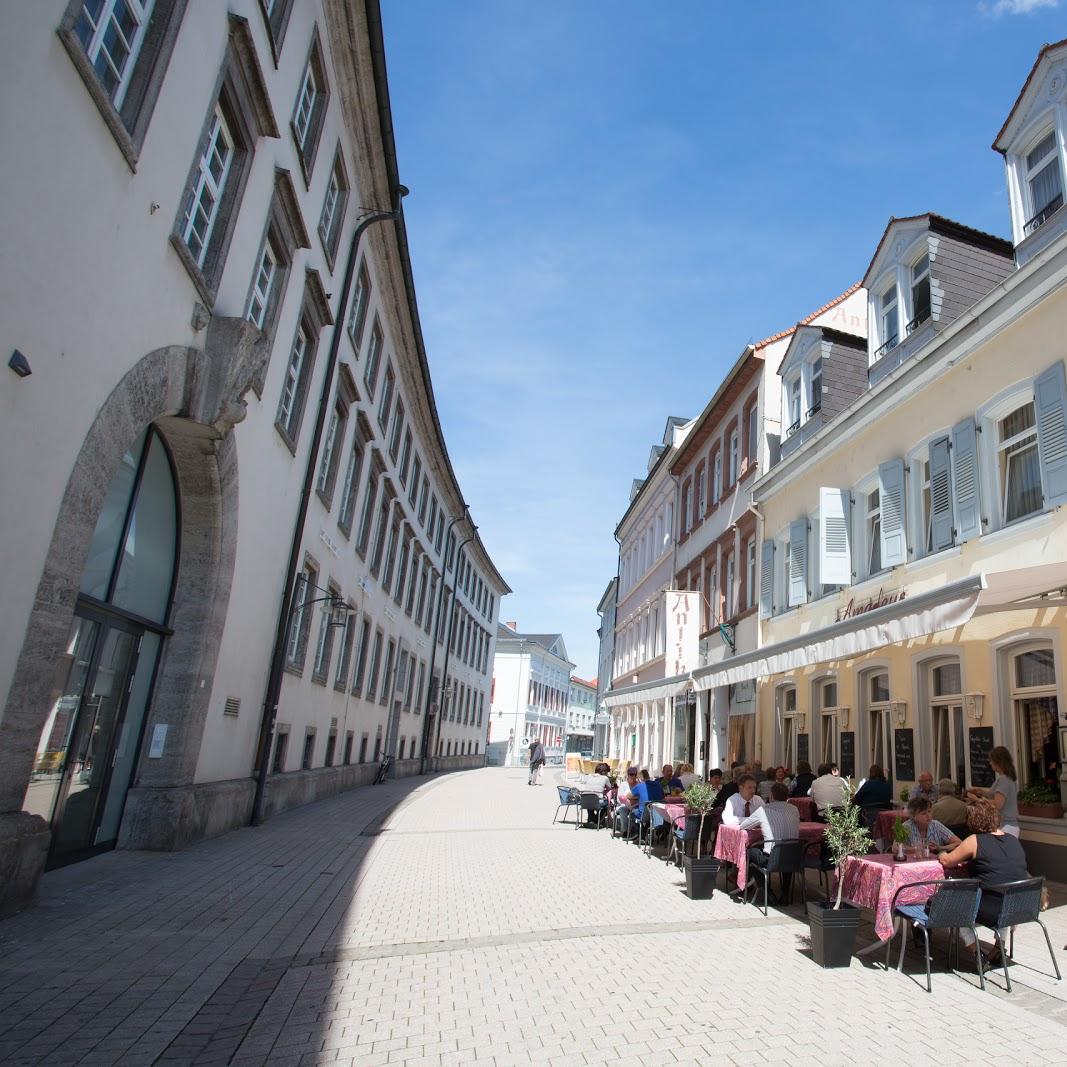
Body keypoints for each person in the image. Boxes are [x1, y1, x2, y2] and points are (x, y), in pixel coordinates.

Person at [937, 799, 1031, 962]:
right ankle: (998, 947)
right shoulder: (1012, 839)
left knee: (956, 904)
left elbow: (948, 861)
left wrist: (940, 852)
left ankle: (976, 952)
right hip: (1020, 906)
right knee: (1003, 895)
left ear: (973, 820)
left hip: (995, 908)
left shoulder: (975, 840)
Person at [747, 782, 802, 873]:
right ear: (787, 796)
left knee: (748, 850)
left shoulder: (764, 810)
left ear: (771, 796)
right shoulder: (794, 809)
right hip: (794, 857)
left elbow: (745, 825)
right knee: (786, 847)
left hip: (771, 859)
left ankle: (762, 886)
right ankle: (786, 887)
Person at [966, 746, 1020, 838]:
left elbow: (998, 804)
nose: (990, 763)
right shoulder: (1008, 778)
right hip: (1010, 826)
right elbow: (996, 795)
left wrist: (977, 799)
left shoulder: (1003, 780)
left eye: (991, 761)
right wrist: (980, 791)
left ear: (998, 762)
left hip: (1005, 826)